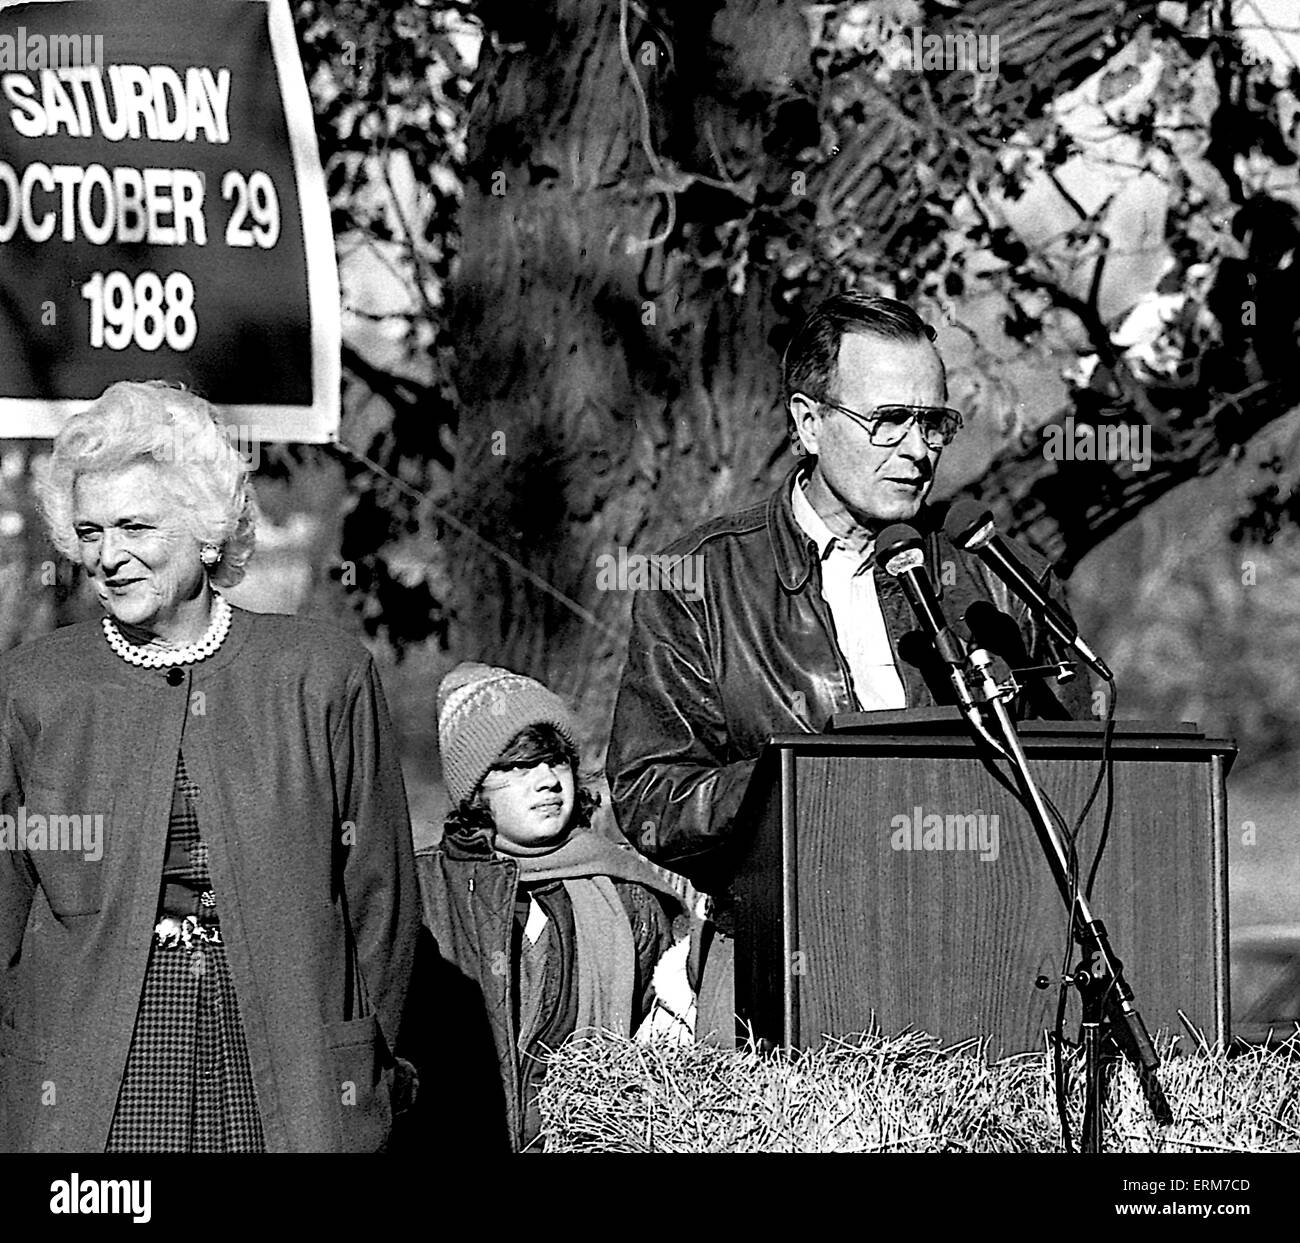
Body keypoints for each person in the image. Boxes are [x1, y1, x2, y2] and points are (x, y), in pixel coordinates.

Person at [606, 292, 1091, 1042]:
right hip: (787, 967)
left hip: (982, 961)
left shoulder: (998, 578)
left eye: (934, 422)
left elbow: (1081, 770)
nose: (919, 447)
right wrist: (802, 785)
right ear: (808, 423)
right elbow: (649, 795)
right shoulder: (699, 579)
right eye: (888, 420)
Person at [0, 381, 419, 1152]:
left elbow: (380, 903)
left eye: (134, 525)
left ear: (205, 532)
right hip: (93, 1059)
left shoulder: (320, 673)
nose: (107, 555)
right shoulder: (35, 687)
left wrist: (360, 1059)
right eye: (89, 530)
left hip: (288, 1055)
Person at [413, 663, 686, 1151]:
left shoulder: (630, 892)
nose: (548, 781)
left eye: (556, 761)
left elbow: (665, 1041)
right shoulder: (422, 892)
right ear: (474, 788)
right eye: (518, 766)